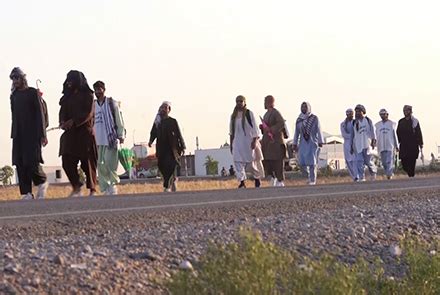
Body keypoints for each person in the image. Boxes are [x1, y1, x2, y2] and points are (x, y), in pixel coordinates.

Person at [9, 67, 49, 200]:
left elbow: (40, 115)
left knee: (31, 161)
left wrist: (43, 134)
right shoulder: (13, 96)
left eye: (17, 78)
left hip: (32, 134)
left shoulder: (32, 93)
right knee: (19, 163)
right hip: (18, 134)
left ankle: (42, 182)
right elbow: (13, 115)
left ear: (22, 79)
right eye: (13, 78)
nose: (15, 81)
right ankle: (26, 192)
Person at [59, 70, 98, 197]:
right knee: (66, 160)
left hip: (84, 133)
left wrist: (74, 121)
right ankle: (76, 185)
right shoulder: (66, 97)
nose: (69, 82)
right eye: (68, 79)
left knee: (87, 162)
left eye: (72, 79)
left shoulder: (88, 95)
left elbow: (88, 113)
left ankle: (92, 188)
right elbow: (62, 112)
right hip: (70, 134)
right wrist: (63, 121)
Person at [93, 81, 125, 195]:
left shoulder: (112, 103)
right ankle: (105, 187)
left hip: (110, 138)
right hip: (98, 140)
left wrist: (121, 135)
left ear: (104, 89)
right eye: (96, 90)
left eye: (99, 89)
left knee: (110, 163)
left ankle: (113, 185)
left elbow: (119, 119)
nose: (98, 92)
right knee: (100, 165)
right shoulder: (93, 105)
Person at [148, 101, 185, 192]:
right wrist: (150, 141)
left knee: (171, 166)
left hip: (172, 149)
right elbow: (153, 132)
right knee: (162, 167)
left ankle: (167, 186)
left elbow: (179, 134)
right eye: (162, 108)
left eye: (166, 108)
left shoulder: (173, 121)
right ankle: (171, 181)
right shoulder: (158, 122)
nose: (164, 109)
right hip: (161, 149)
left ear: (169, 110)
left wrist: (183, 146)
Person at [229, 95, 264, 188]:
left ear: (244, 102)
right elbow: (231, 132)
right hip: (237, 142)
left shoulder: (249, 114)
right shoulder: (233, 116)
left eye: (241, 101)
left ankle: (257, 178)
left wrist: (254, 141)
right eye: (237, 101)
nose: (239, 103)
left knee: (251, 163)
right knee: (237, 161)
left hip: (248, 142)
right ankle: (242, 181)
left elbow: (255, 129)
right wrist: (231, 144)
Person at [292, 102, 323, 185]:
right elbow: (296, 133)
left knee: (312, 163)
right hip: (302, 143)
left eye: (305, 107)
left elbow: (319, 129)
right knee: (301, 163)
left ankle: (312, 180)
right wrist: (294, 143)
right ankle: (308, 175)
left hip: (312, 143)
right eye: (302, 107)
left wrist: (320, 141)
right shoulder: (299, 120)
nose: (303, 108)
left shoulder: (314, 118)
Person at [260, 95, 287, 186]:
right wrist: (263, 128)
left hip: (276, 142)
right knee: (268, 161)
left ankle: (280, 180)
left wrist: (271, 129)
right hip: (268, 144)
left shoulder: (276, 113)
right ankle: (273, 177)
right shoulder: (266, 114)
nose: (264, 103)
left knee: (278, 162)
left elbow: (281, 123)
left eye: (265, 101)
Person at [351, 104, 377, 181]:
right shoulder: (354, 123)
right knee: (359, 161)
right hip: (358, 145)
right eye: (356, 112)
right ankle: (362, 177)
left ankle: (373, 172)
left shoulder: (368, 121)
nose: (357, 113)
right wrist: (352, 146)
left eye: (359, 111)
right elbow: (353, 135)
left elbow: (373, 131)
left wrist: (373, 140)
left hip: (367, 144)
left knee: (368, 161)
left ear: (363, 112)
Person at [396, 105, 423, 177]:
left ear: (410, 111)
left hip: (413, 145)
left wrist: (420, 143)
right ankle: (410, 174)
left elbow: (418, 132)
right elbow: (397, 133)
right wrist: (396, 144)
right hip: (404, 145)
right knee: (404, 163)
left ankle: (411, 177)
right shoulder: (401, 121)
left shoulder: (414, 121)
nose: (405, 112)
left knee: (412, 162)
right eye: (404, 111)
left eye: (407, 110)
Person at [375, 109, 399, 179]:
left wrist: (396, 145)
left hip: (390, 145)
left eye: (384, 114)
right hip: (381, 145)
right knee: (384, 162)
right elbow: (376, 135)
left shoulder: (392, 124)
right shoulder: (377, 125)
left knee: (389, 161)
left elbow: (395, 135)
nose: (383, 116)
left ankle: (389, 174)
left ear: (387, 114)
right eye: (381, 114)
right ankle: (388, 173)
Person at [340, 108, 357, 180]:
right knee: (348, 161)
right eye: (349, 114)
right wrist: (352, 135)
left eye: (352, 114)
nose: (351, 115)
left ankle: (357, 176)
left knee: (355, 160)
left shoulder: (356, 122)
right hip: (347, 143)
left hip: (355, 143)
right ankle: (353, 177)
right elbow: (344, 134)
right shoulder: (343, 124)